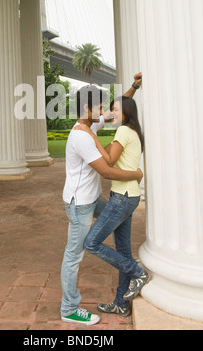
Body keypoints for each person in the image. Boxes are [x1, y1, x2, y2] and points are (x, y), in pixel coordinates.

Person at [60, 78, 143, 326]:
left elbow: (118, 111)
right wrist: (136, 175)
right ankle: (69, 307)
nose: (103, 111)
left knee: (120, 226)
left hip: (93, 199)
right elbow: (106, 171)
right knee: (74, 254)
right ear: (87, 109)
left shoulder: (90, 126)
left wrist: (134, 88)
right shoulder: (81, 137)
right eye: (98, 107)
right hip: (80, 205)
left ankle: (124, 283)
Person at [76, 95, 149, 318]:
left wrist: (91, 135)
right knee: (124, 251)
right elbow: (111, 154)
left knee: (92, 242)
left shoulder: (123, 131)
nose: (112, 113)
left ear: (127, 112)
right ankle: (120, 303)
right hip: (130, 196)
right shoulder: (134, 132)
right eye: (111, 110)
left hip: (122, 197)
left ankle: (137, 273)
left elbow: (107, 162)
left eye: (116, 110)